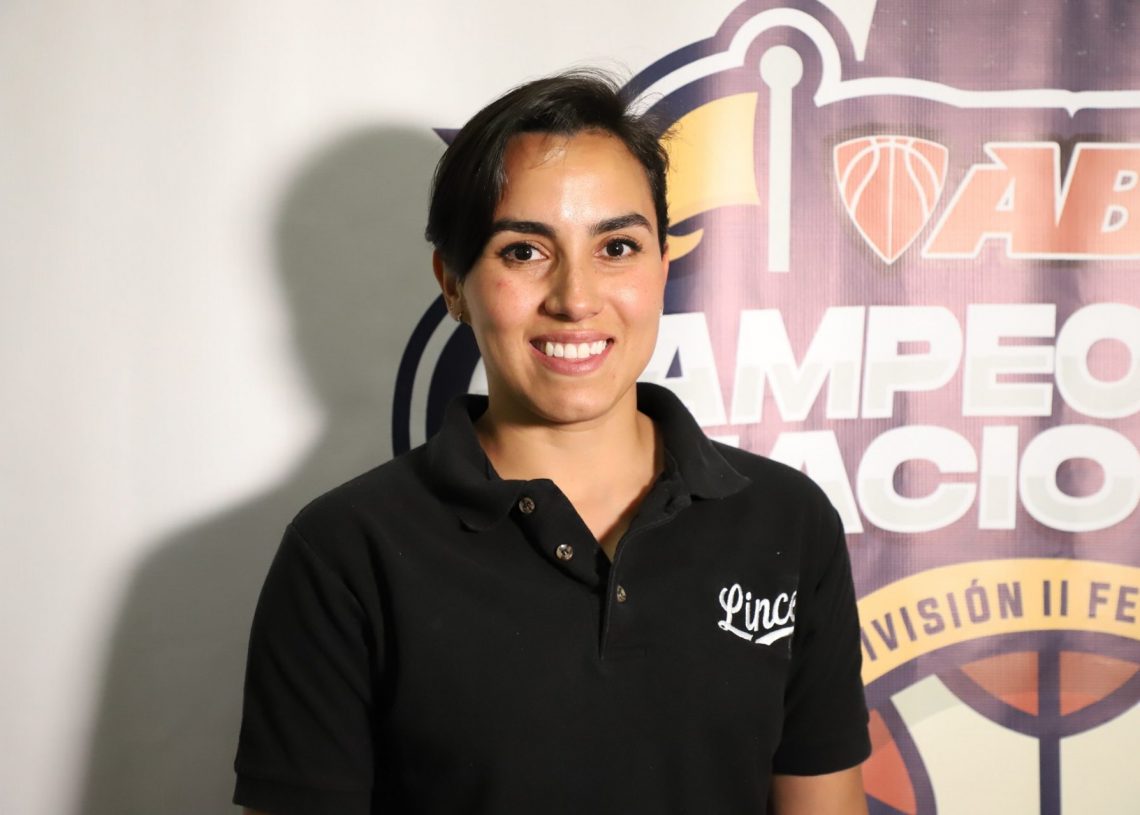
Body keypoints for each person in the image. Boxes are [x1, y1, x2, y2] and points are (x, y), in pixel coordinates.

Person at [234, 70, 870, 815]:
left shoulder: (788, 521)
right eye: (523, 252)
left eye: (618, 246)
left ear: (663, 266)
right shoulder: (345, 552)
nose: (575, 298)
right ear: (452, 283)